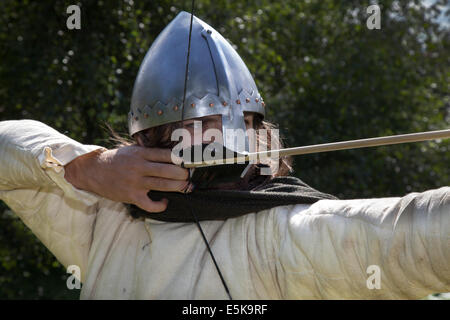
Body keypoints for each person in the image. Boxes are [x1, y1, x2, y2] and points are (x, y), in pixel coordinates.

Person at [0, 12, 448, 300]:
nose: (227, 145)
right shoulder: (102, 220)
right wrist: (87, 167)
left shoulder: (280, 234)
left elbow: (406, 233)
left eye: (241, 129)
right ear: (150, 146)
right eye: (197, 130)